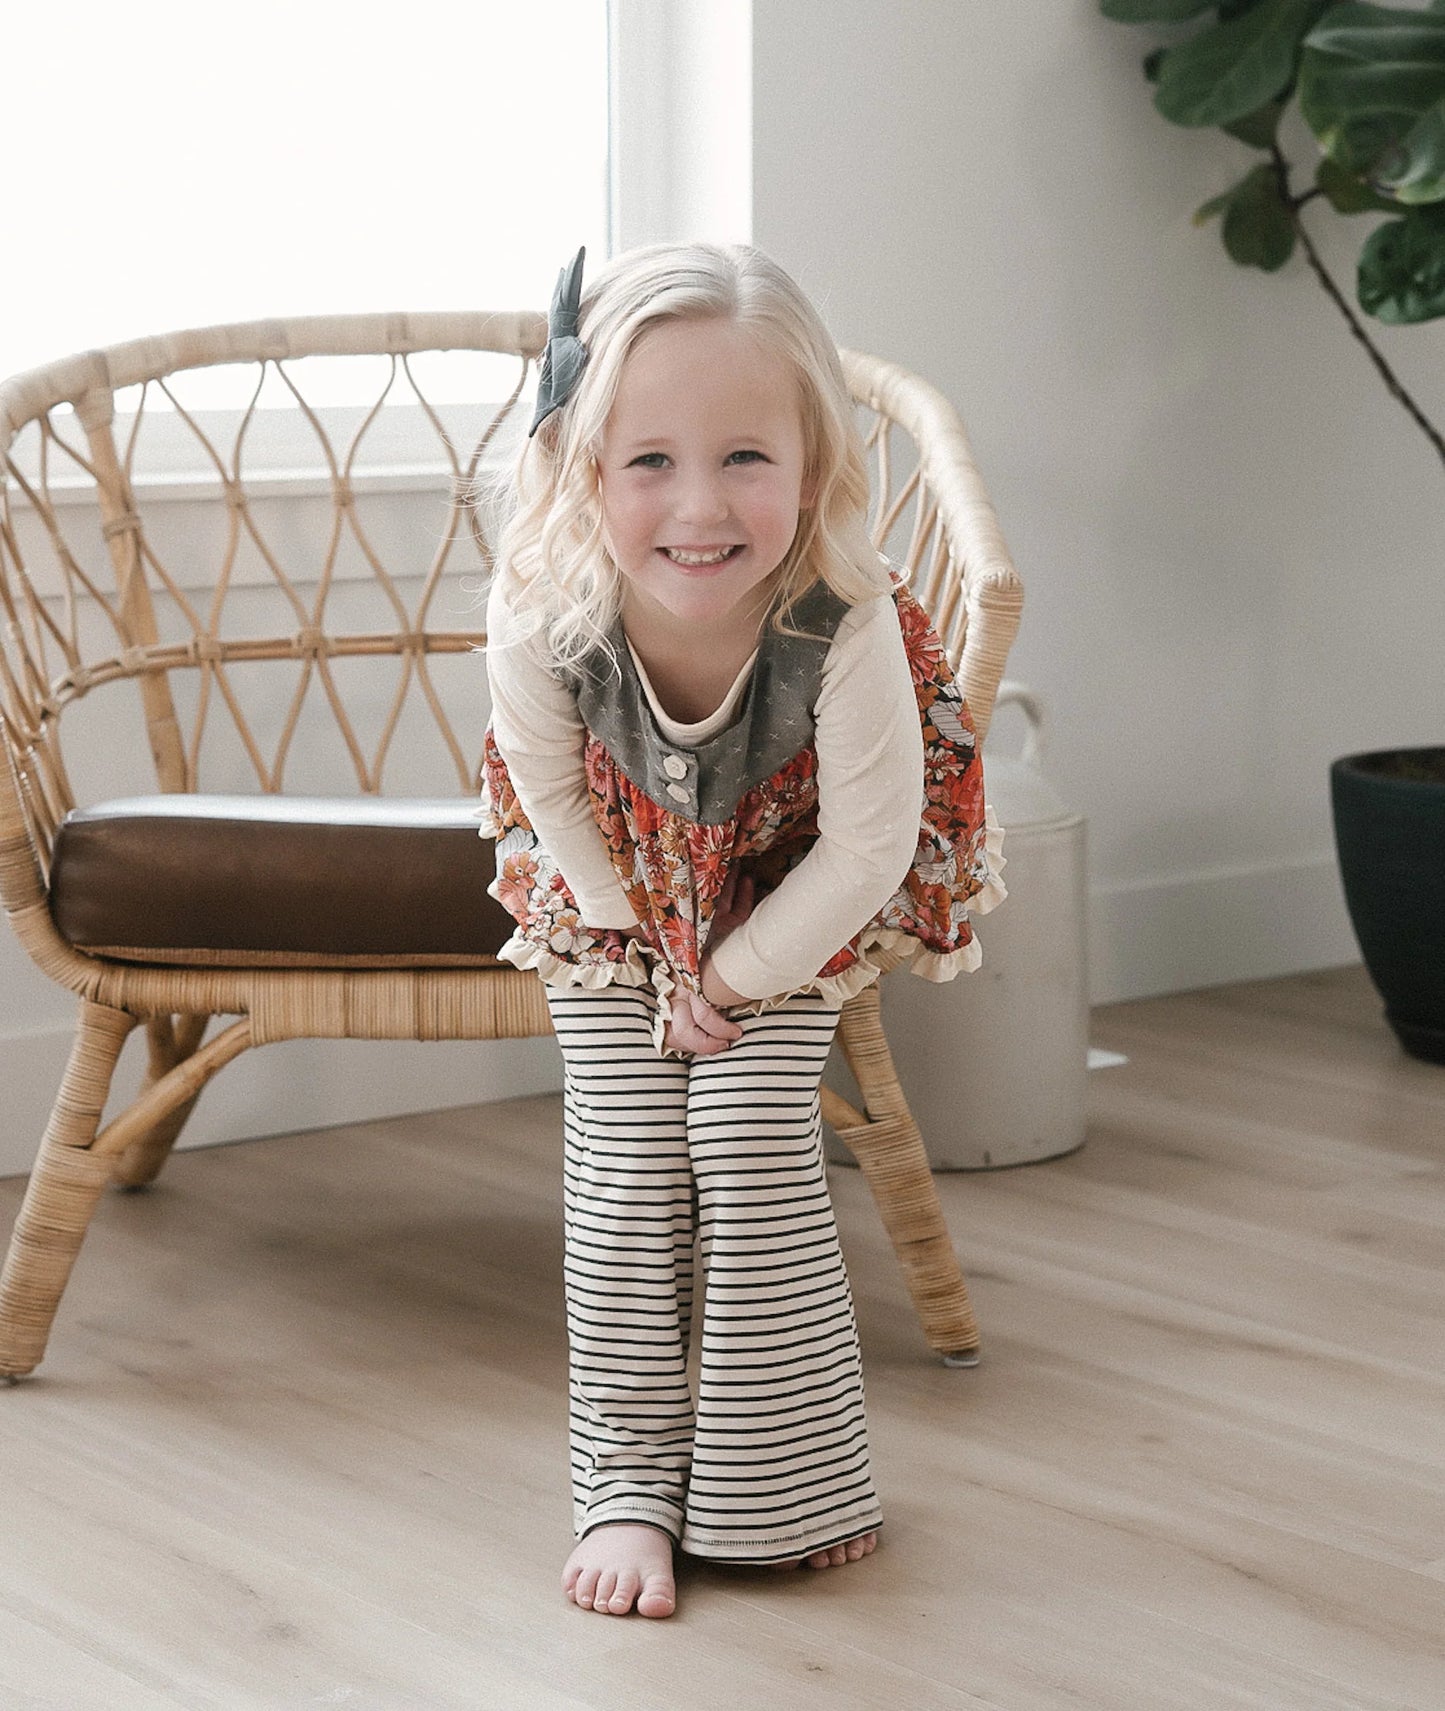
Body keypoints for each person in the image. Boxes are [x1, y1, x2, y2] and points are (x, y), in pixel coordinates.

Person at [478, 242, 1005, 1620]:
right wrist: (652, 962)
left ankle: (788, 1479)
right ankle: (626, 1488)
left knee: (745, 1130)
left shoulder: (843, 616)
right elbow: (548, 798)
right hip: (608, 899)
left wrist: (728, 976)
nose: (698, 508)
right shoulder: (541, 604)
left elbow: (870, 845)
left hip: (799, 897)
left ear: (815, 471)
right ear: (579, 469)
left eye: (744, 460)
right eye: (647, 460)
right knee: (630, 1155)